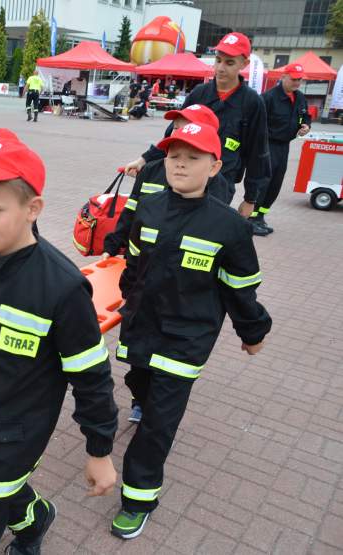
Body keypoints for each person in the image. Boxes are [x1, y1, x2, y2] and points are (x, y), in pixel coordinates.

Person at [0, 129, 118, 554]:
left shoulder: (61, 287)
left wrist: (99, 449)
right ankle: (35, 519)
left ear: (32, 208)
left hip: (12, 435)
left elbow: (91, 376)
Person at [110, 121, 271, 540]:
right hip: (142, 328)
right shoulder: (149, 207)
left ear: (215, 166)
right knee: (139, 385)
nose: (180, 164)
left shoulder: (230, 227)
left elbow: (241, 289)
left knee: (158, 424)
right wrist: (127, 301)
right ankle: (145, 405)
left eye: (192, 158)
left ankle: (138, 499)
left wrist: (252, 332)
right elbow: (133, 264)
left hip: (187, 340)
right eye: (174, 156)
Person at [122, 32, 270, 219]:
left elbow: (258, 153)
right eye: (218, 60)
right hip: (184, 180)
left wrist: (250, 199)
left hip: (220, 185)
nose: (221, 68)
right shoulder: (199, 94)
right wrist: (144, 159)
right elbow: (173, 136)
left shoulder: (252, 103)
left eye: (229, 62)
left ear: (244, 64)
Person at [254, 63, 311, 235]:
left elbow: (305, 116)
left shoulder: (300, 97)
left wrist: (306, 126)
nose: (296, 83)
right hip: (267, 145)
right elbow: (256, 123)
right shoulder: (268, 97)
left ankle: (261, 216)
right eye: (293, 79)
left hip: (284, 146)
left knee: (275, 184)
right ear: (284, 77)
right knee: (262, 183)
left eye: (299, 80)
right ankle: (251, 218)